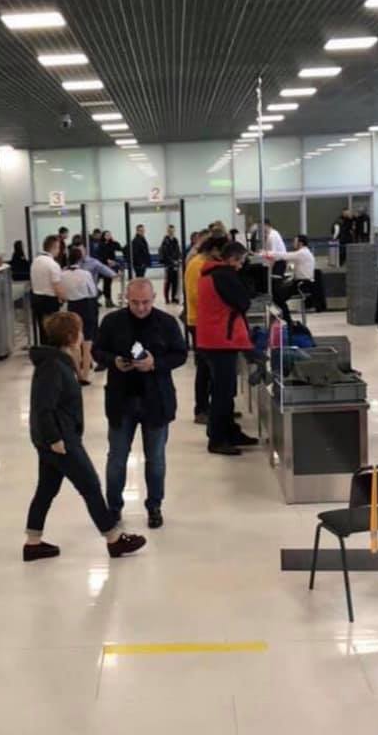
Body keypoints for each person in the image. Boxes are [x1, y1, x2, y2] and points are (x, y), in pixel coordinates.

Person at [23, 311, 146, 561]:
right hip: (61, 440)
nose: (82, 336)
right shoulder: (53, 366)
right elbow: (43, 407)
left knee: (46, 489)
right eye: (79, 331)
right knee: (90, 485)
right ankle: (113, 539)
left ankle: (33, 543)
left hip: (56, 438)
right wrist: (55, 439)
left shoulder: (58, 361)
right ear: (71, 336)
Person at [93, 279, 187, 529]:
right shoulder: (112, 322)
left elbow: (181, 354)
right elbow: (97, 350)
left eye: (145, 302)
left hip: (156, 401)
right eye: (135, 302)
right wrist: (114, 361)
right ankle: (113, 508)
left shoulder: (166, 323)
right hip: (121, 400)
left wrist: (156, 363)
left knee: (155, 459)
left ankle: (154, 506)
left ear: (154, 298)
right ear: (126, 298)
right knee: (117, 458)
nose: (141, 307)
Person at [197, 241, 258, 455]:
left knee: (224, 390)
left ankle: (230, 431)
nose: (241, 266)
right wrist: (247, 280)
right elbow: (243, 302)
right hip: (221, 340)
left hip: (212, 338)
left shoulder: (209, 273)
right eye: (241, 262)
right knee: (222, 393)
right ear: (232, 259)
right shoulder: (224, 276)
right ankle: (217, 439)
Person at [185, 232, 227, 424]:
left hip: (204, 320)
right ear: (214, 250)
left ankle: (214, 407)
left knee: (209, 369)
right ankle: (201, 409)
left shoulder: (203, 262)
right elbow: (196, 295)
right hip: (198, 321)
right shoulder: (198, 265)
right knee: (204, 368)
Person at [61, 246, 100, 385]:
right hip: (86, 306)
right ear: (80, 259)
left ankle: (77, 372)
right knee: (87, 343)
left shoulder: (63, 274)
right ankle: (85, 375)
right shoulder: (85, 274)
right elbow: (93, 291)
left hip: (72, 306)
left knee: (74, 343)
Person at [266, 234, 315, 327]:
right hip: (302, 282)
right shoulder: (304, 252)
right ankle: (287, 320)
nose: (293, 243)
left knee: (278, 297)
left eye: (295, 241)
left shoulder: (302, 253)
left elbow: (284, 255)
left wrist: (267, 253)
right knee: (279, 295)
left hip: (301, 284)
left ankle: (288, 321)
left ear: (300, 243)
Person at [30, 235, 68, 344]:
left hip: (36, 298)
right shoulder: (53, 264)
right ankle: (52, 350)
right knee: (52, 329)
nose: (59, 251)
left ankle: (43, 348)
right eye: (58, 248)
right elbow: (56, 285)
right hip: (49, 301)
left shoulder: (35, 261)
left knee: (42, 329)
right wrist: (64, 298)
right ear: (54, 247)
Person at [98, 230, 125, 307]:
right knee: (105, 284)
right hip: (103, 266)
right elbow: (100, 255)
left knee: (108, 284)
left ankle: (108, 301)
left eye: (109, 234)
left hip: (112, 266)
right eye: (106, 235)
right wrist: (106, 260)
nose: (108, 236)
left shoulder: (113, 244)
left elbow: (119, 250)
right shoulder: (101, 244)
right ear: (103, 236)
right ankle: (105, 299)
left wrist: (114, 262)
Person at [159, 224, 181, 304]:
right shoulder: (165, 241)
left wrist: (178, 259)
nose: (171, 232)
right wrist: (172, 261)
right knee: (168, 282)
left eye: (172, 231)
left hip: (175, 265)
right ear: (167, 231)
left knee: (175, 282)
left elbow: (178, 251)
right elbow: (165, 253)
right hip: (168, 265)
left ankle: (174, 298)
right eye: (170, 231)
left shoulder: (175, 240)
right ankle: (167, 298)